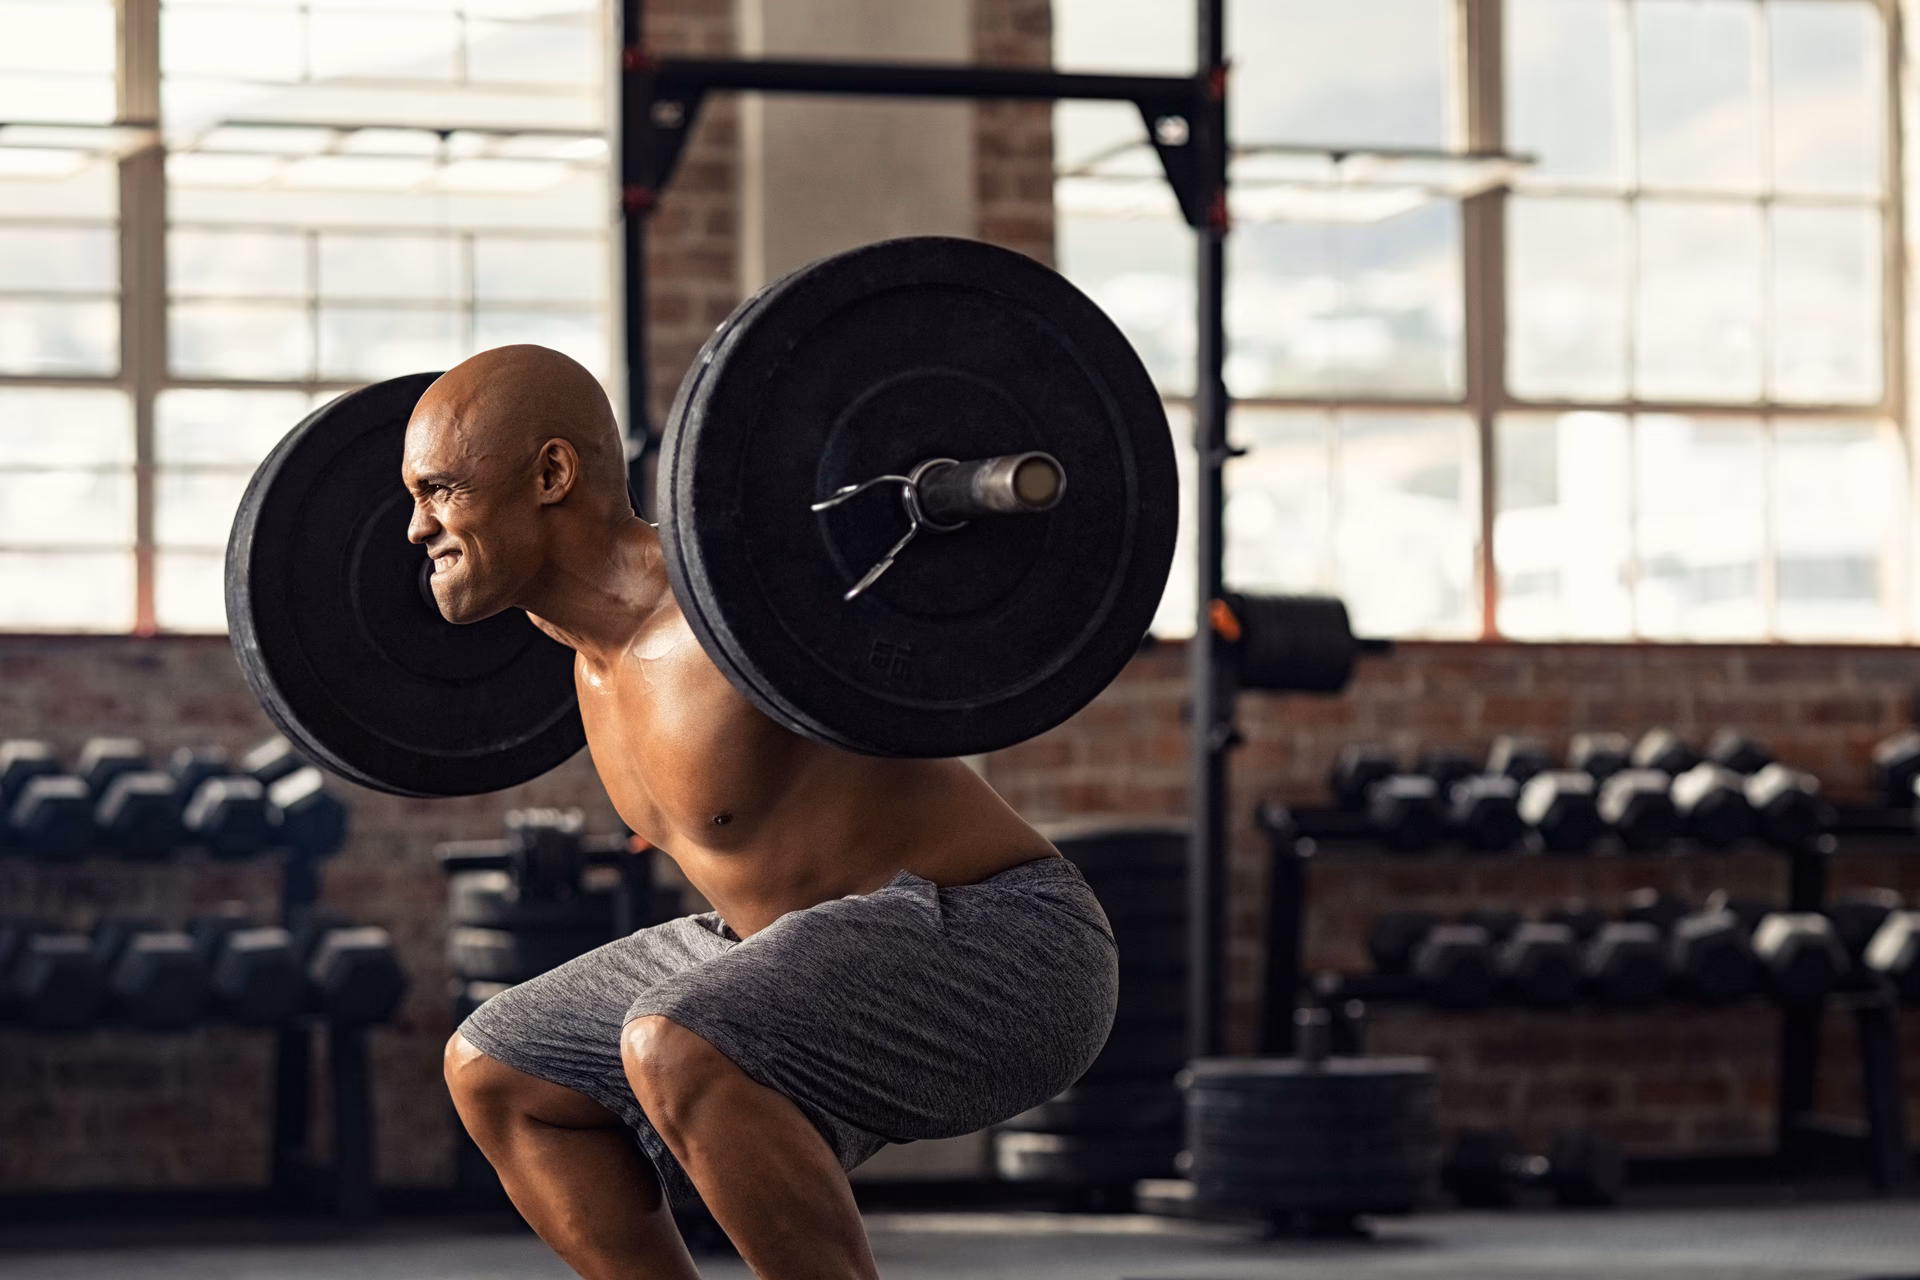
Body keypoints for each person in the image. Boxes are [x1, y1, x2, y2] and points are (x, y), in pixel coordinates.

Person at [417, 345, 1118, 1280]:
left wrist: (957, 501)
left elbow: (902, 605)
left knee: (676, 1041)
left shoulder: (741, 602)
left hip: (1006, 945)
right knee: (497, 1068)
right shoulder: (588, 663)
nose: (417, 528)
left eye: (440, 491)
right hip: (783, 944)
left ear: (551, 474)